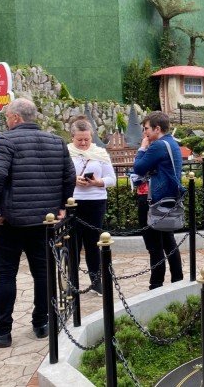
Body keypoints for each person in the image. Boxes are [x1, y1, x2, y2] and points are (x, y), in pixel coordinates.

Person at [0, 98, 75, 347]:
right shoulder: (57, 141)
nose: (7, 120)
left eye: (8, 116)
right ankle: (42, 323)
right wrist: (62, 205)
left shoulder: (6, 140)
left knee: (4, 275)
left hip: (10, 221)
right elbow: (69, 175)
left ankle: (2, 332)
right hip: (46, 221)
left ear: (16, 118)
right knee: (43, 273)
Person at [133, 111, 184, 289]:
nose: (145, 132)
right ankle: (177, 279)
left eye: (146, 128)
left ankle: (156, 285)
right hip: (168, 200)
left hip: (154, 202)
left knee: (154, 245)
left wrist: (142, 147)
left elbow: (138, 168)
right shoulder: (171, 143)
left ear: (157, 128)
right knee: (168, 240)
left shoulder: (158, 146)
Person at [68, 117, 116, 295]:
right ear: (72, 137)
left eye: (86, 139)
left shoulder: (100, 153)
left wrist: (97, 182)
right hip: (73, 202)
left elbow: (112, 179)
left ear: (92, 137)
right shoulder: (66, 153)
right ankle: (70, 282)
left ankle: (96, 281)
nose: (83, 143)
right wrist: (74, 180)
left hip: (95, 202)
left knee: (93, 244)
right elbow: (59, 176)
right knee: (72, 244)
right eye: (79, 139)